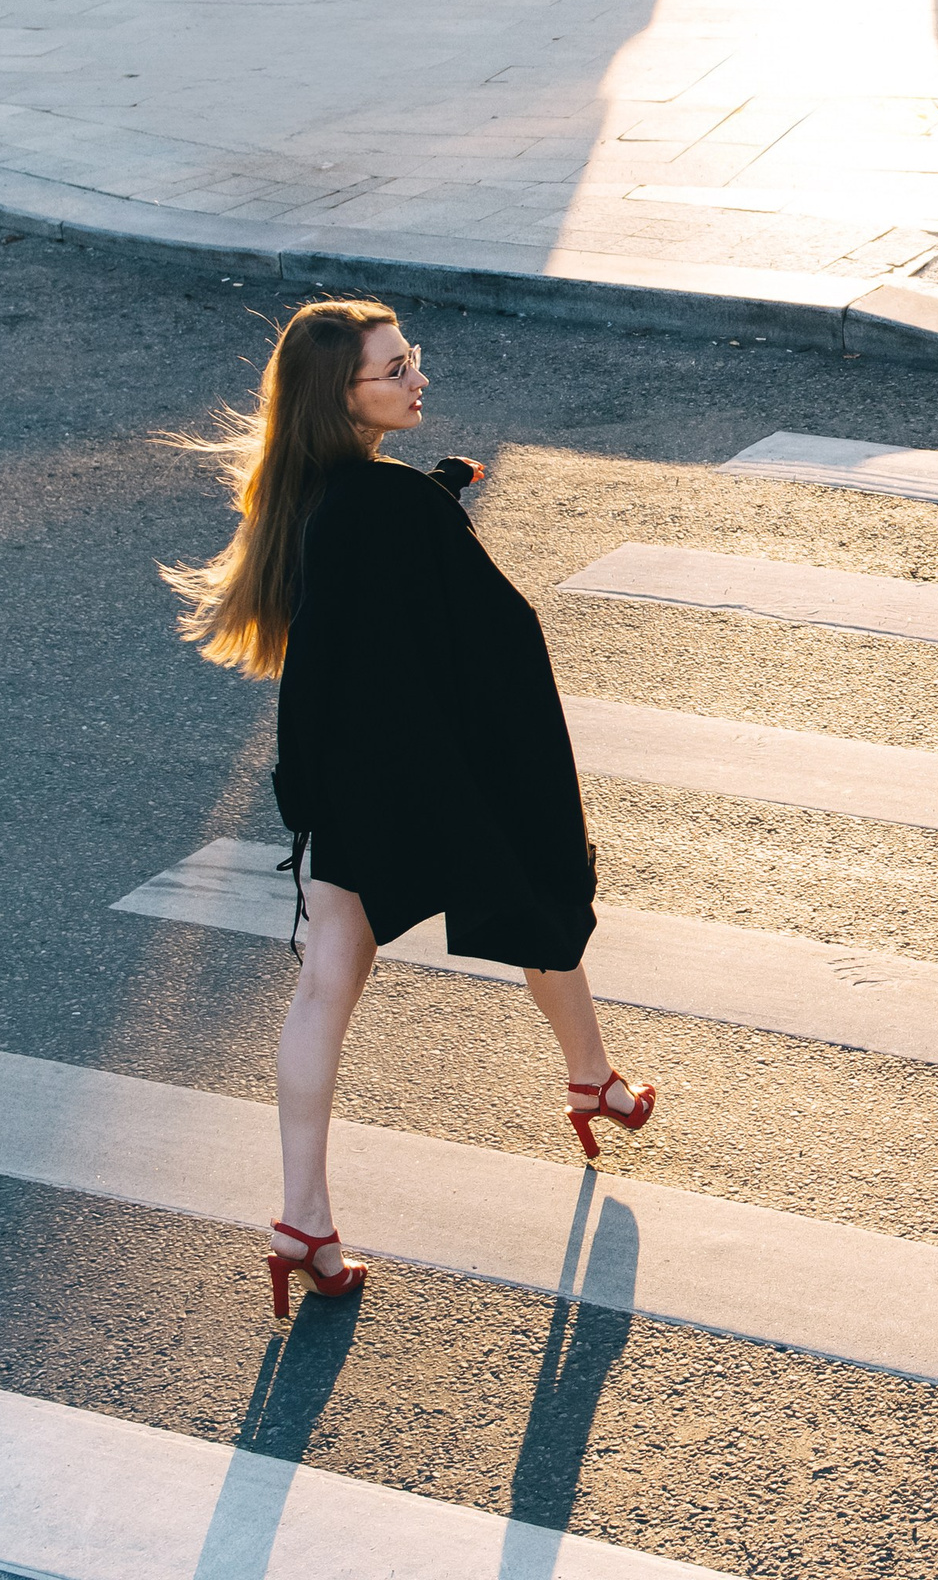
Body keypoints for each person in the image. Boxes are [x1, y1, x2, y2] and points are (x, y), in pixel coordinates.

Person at [162, 298, 654, 1322]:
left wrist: (431, 496)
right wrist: (436, 513)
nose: (418, 377)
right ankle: (590, 1078)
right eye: (394, 370)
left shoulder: (306, 495)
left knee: (326, 986)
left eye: (411, 358)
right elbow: (494, 626)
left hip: (351, 781)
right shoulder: (383, 503)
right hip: (432, 769)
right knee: (534, 886)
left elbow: (362, 577)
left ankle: (306, 1217)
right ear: (340, 399)